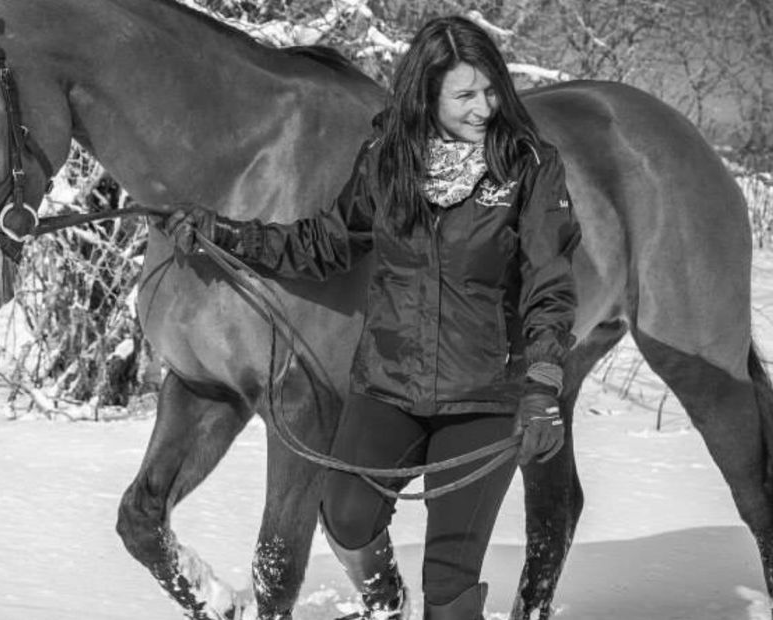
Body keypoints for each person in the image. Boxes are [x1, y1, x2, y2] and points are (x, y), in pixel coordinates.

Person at [164, 15, 580, 620]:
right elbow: (328, 243)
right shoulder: (387, 160)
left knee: (450, 579)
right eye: (464, 94)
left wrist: (543, 383)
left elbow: (550, 284)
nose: (484, 107)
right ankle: (384, 601)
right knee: (347, 516)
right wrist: (226, 235)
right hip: (388, 387)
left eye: (491, 90)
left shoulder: (527, 166)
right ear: (426, 95)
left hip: (483, 396)